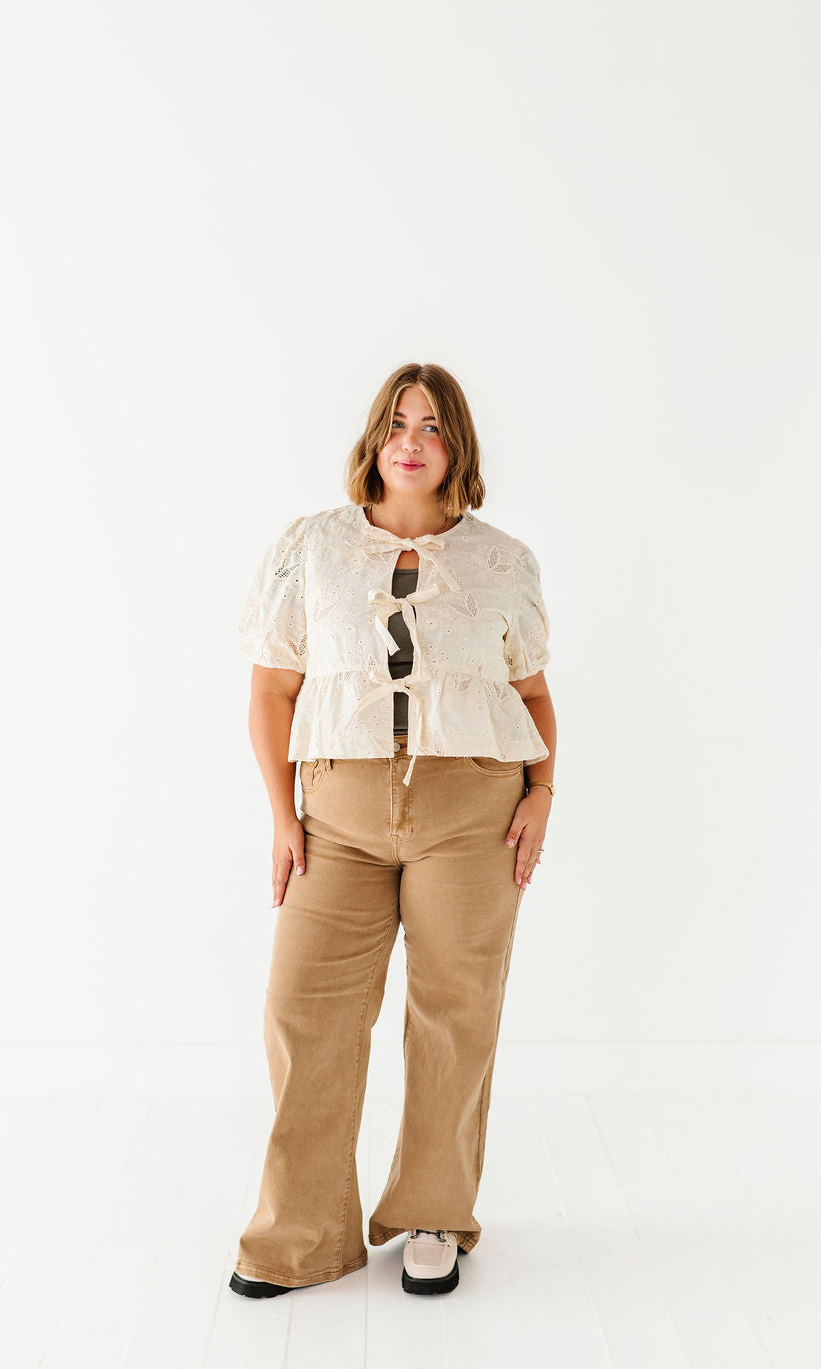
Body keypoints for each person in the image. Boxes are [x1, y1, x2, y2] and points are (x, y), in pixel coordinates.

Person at [229, 362, 556, 1298]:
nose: (412, 441)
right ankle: (301, 1234)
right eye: (398, 423)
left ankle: (434, 1213)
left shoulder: (504, 561)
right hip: (338, 809)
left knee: (454, 1009)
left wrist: (542, 790)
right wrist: (282, 814)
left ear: (458, 448)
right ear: (375, 439)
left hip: (473, 806)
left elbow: (532, 693)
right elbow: (272, 690)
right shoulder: (312, 547)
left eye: (434, 426)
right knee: (302, 1006)